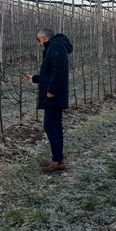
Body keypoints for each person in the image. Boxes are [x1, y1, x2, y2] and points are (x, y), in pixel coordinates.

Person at [25, 27, 73, 172]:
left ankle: (57, 161)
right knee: (55, 126)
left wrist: (51, 90)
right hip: (55, 94)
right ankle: (57, 159)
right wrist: (34, 78)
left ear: (44, 38)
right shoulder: (55, 47)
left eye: (39, 40)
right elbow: (50, 73)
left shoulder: (56, 47)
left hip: (54, 95)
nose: (39, 43)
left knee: (50, 126)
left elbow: (59, 70)